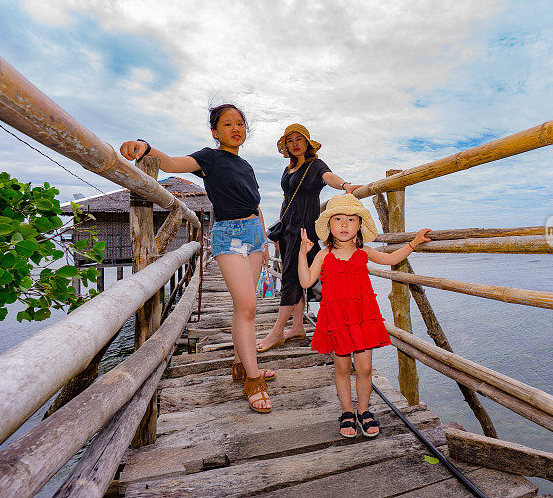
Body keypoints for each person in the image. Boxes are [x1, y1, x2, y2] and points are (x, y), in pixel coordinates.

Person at [119, 104, 275, 413]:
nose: (236, 128)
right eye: (227, 124)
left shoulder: (246, 165)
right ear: (216, 132)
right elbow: (174, 163)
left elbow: (254, 204)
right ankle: (253, 380)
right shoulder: (209, 157)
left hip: (255, 234)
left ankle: (243, 363)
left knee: (244, 310)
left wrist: (265, 240)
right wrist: (146, 147)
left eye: (240, 124)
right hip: (228, 235)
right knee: (247, 306)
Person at [298, 194, 431, 437]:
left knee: (365, 368)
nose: (345, 224)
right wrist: (302, 252)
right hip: (336, 320)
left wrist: (414, 242)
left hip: (362, 318)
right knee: (341, 368)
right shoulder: (323, 255)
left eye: (351, 219)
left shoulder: (364, 252)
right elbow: (306, 280)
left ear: (359, 225)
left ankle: (363, 411)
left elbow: (391, 259)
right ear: (329, 225)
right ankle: (347, 412)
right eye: (338, 219)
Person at [256, 124, 362, 352]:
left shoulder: (315, 165)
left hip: (305, 230)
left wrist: (345, 185)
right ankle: (297, 327)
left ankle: (277, 333)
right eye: (290, 141)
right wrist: (280, 230)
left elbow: (328, 177)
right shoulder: (288, 169)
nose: (294, 144)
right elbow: (287, 200)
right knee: (295, 275)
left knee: (295, 278)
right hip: (287, 230)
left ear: (307, 143)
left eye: (298, 139)